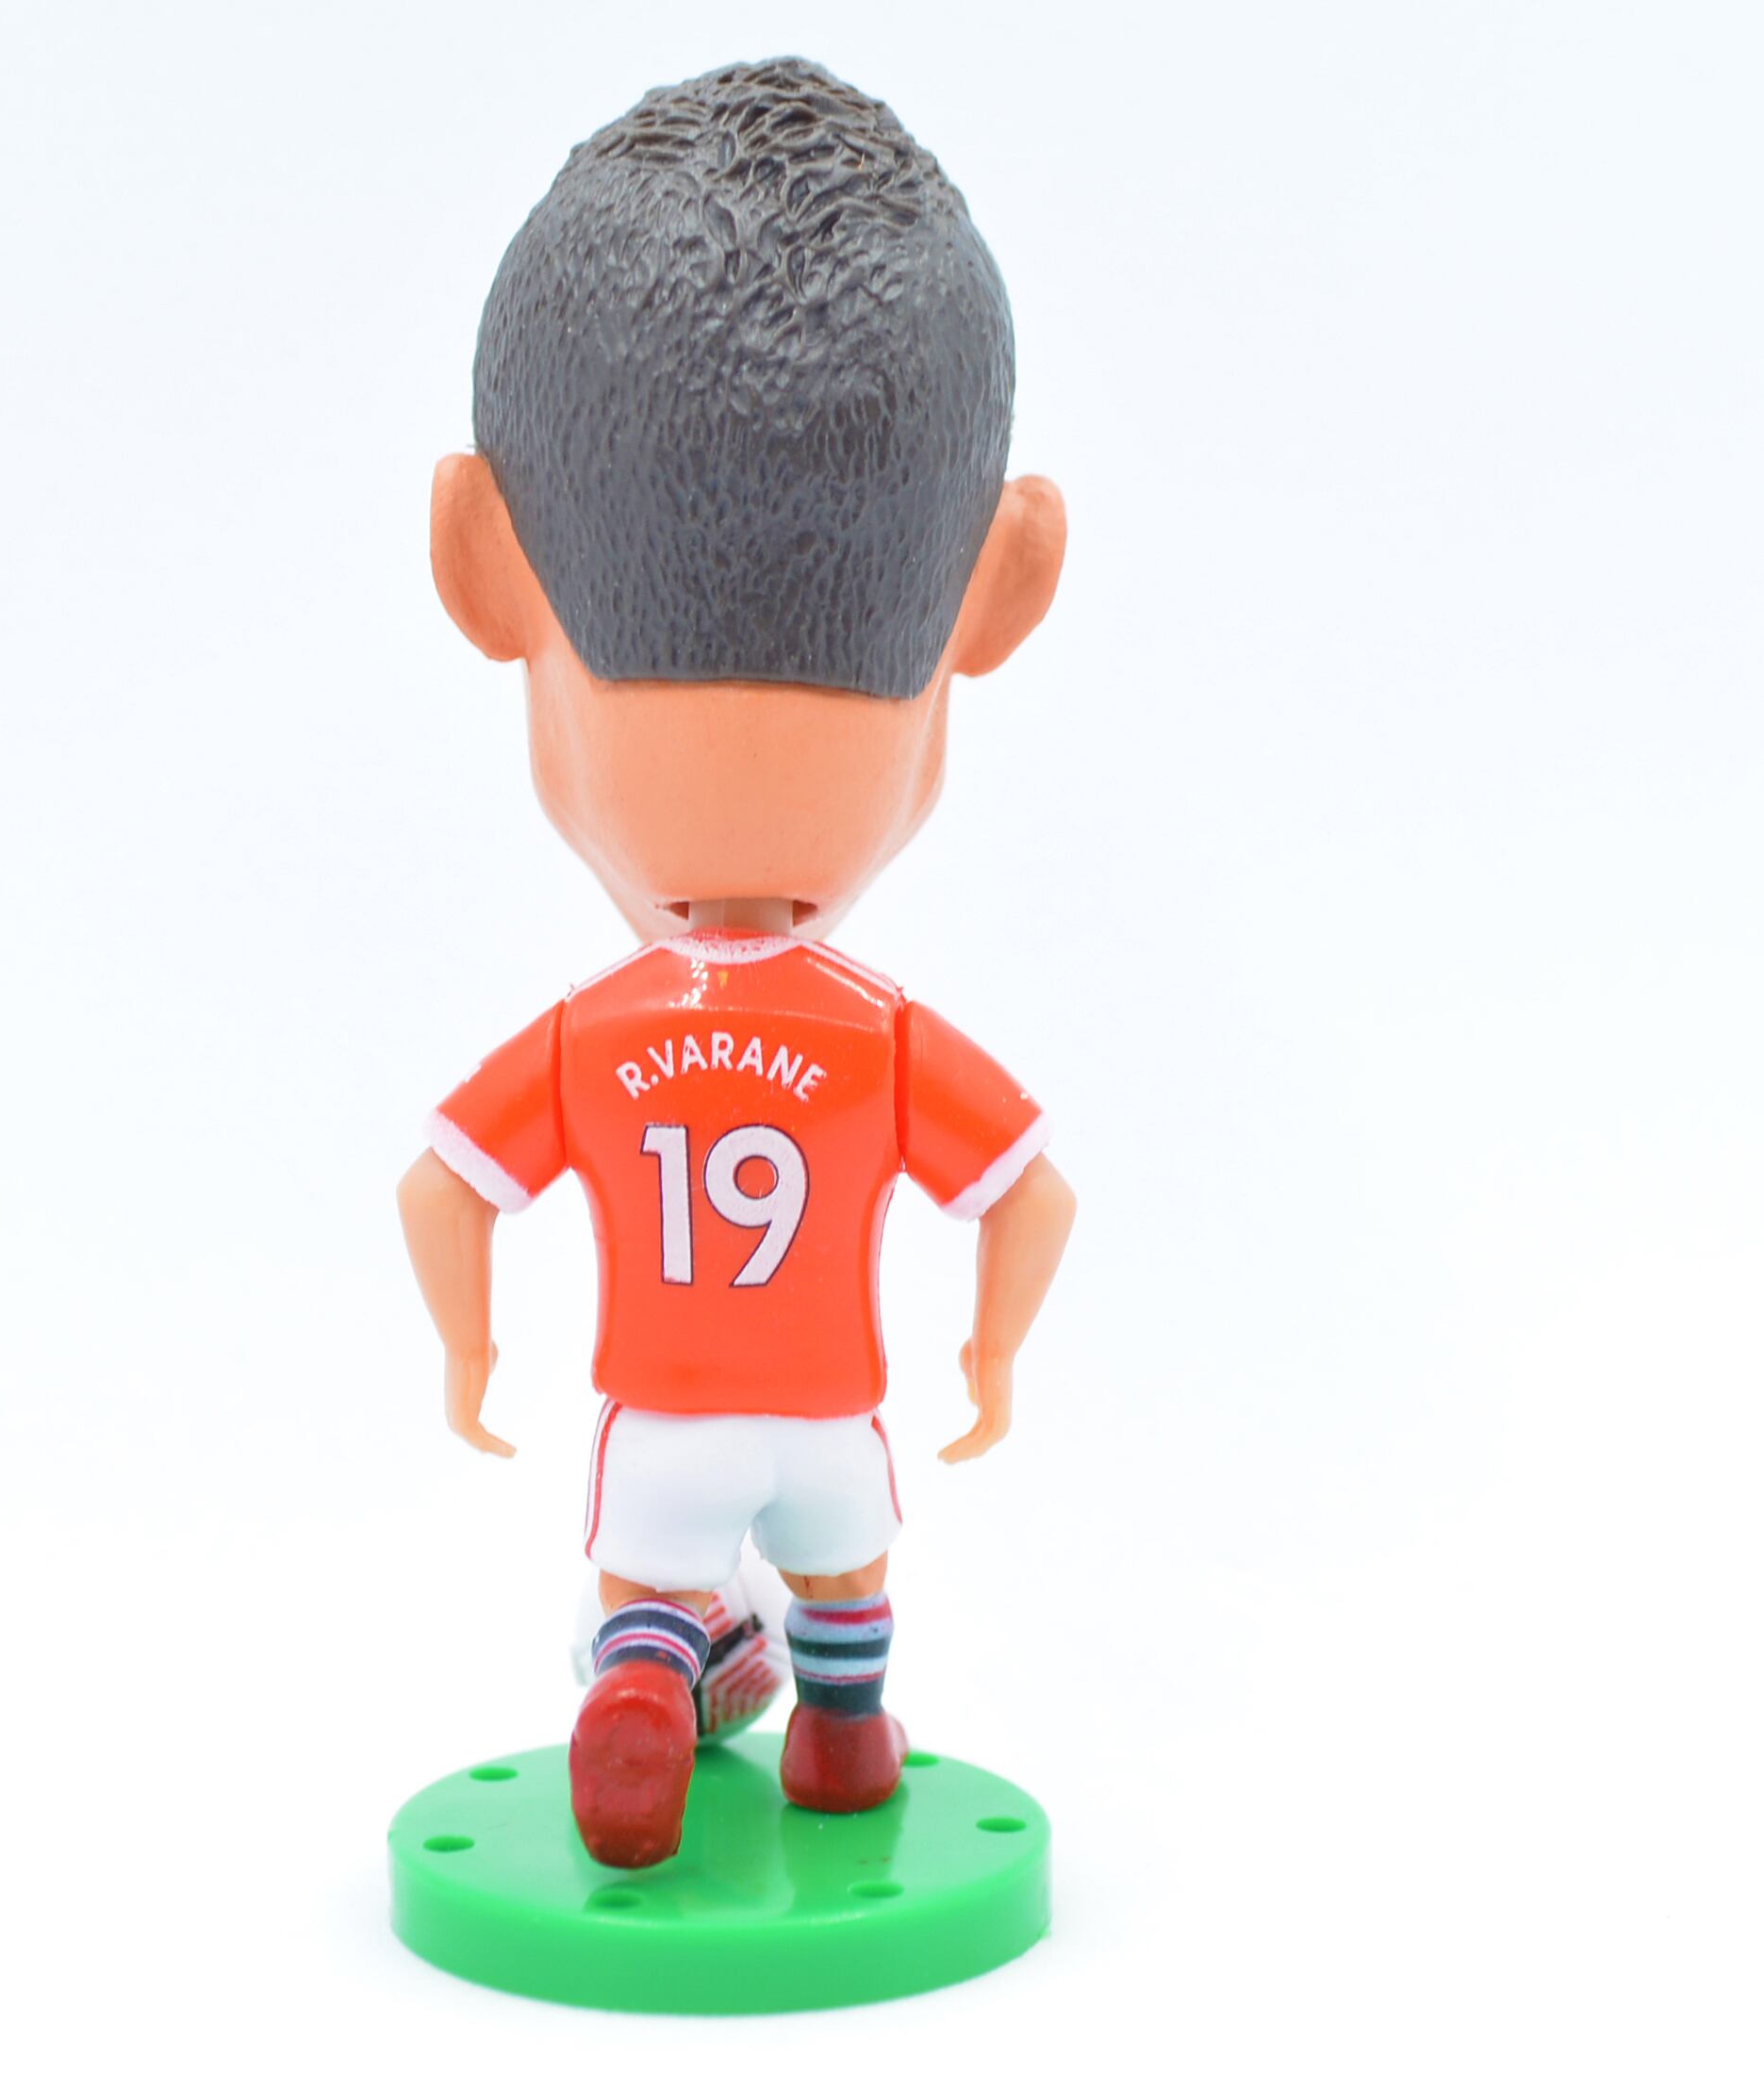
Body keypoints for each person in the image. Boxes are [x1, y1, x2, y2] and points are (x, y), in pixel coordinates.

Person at [396, 57, 1078, 1870]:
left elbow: (440, 1186)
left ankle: (645, 1666)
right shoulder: (877, 1031)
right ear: (1002, 588)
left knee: (637, 1590)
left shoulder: (595, 1029)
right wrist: (989, 1354)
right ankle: (841, 1728)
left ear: (477, 560)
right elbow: (1032, 1190)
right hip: (831, 1418)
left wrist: (468, 1349)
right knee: (848, 1580)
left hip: (663, 1426)